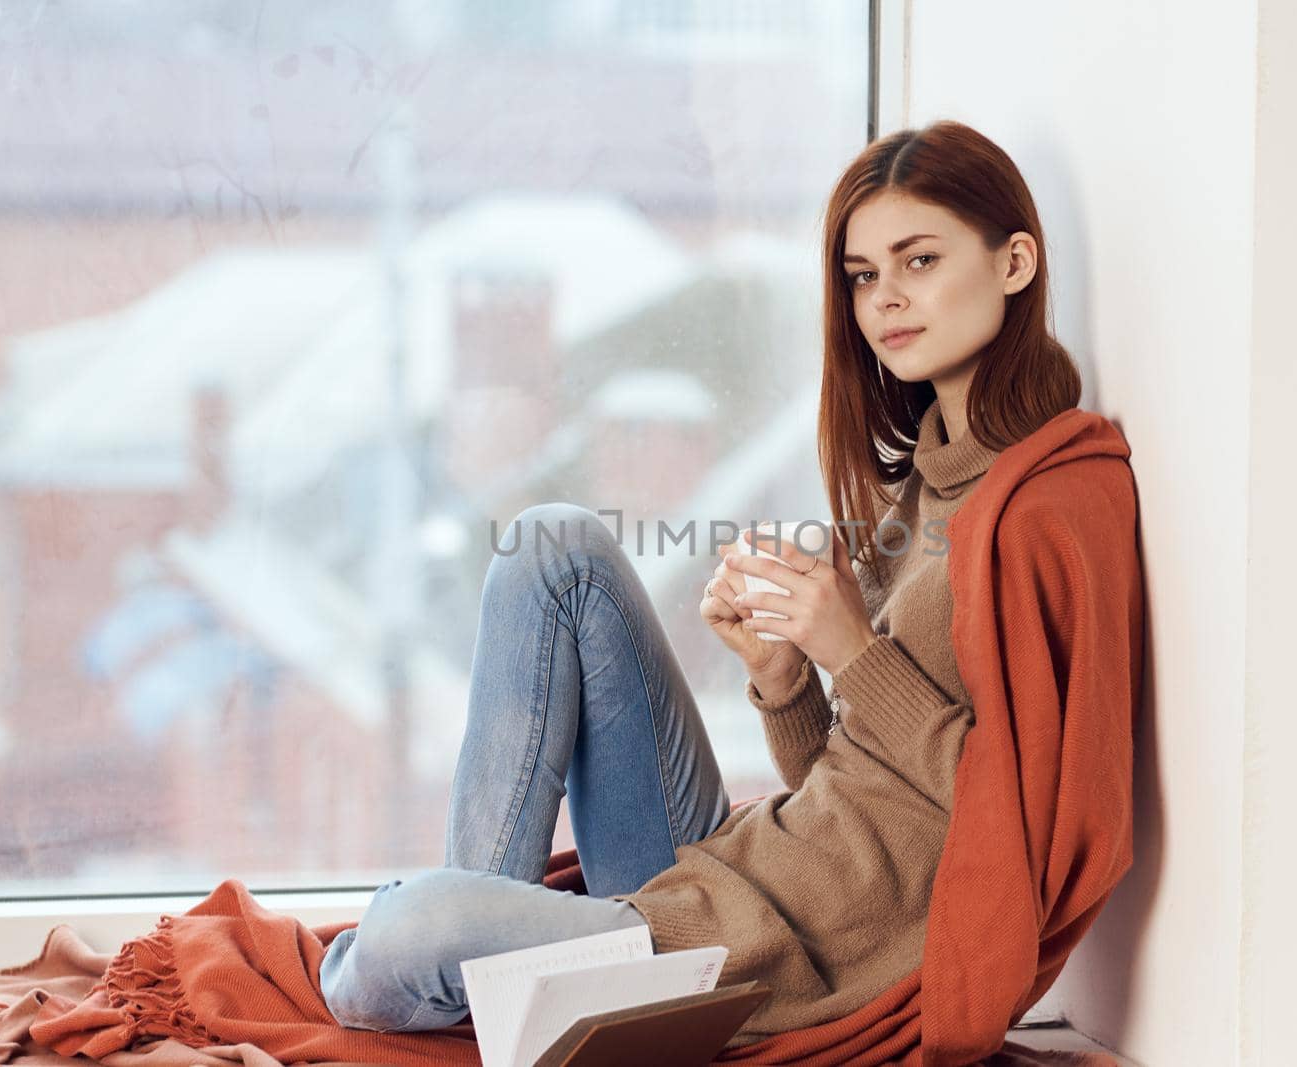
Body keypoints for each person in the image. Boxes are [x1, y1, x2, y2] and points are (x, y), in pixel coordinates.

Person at [318, 119, 1115, 1046]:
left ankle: (473, 955)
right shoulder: (923, 490)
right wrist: (784, 678)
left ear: (1015, 262)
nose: (886, 299)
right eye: (863, 275)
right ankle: (493, 955)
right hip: (737, 878)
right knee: (553, 546)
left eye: (920, 260)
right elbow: (857, 792)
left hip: (764, 963)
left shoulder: (1051, 504)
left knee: (407, 935)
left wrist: (852, 652)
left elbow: (1008, 831)